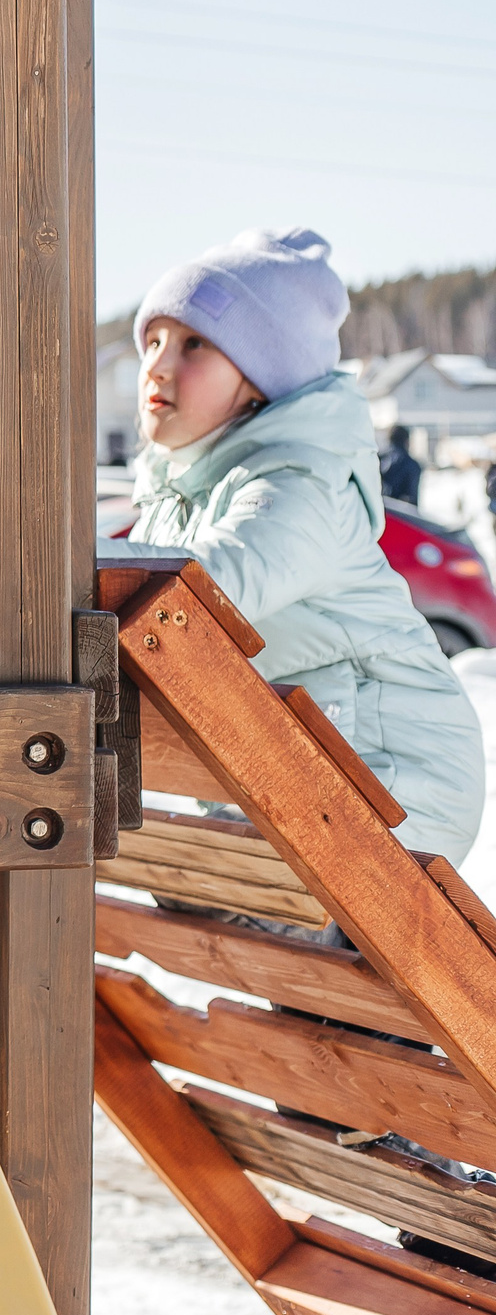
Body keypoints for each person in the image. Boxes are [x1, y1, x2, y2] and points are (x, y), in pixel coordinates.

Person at [108, 231, 484, 861]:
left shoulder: (300, 484)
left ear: (260, 377)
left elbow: (206, 595)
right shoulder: (180, 496)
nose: (159, 363)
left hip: (400, 781)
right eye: (153, 340)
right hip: (307, 789)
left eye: (194, 343)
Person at [380, 423, 423, 506]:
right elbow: (411, 497)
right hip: (400, 514)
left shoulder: (379, 460)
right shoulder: (412, 465)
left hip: (380, 511)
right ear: (407, 441)